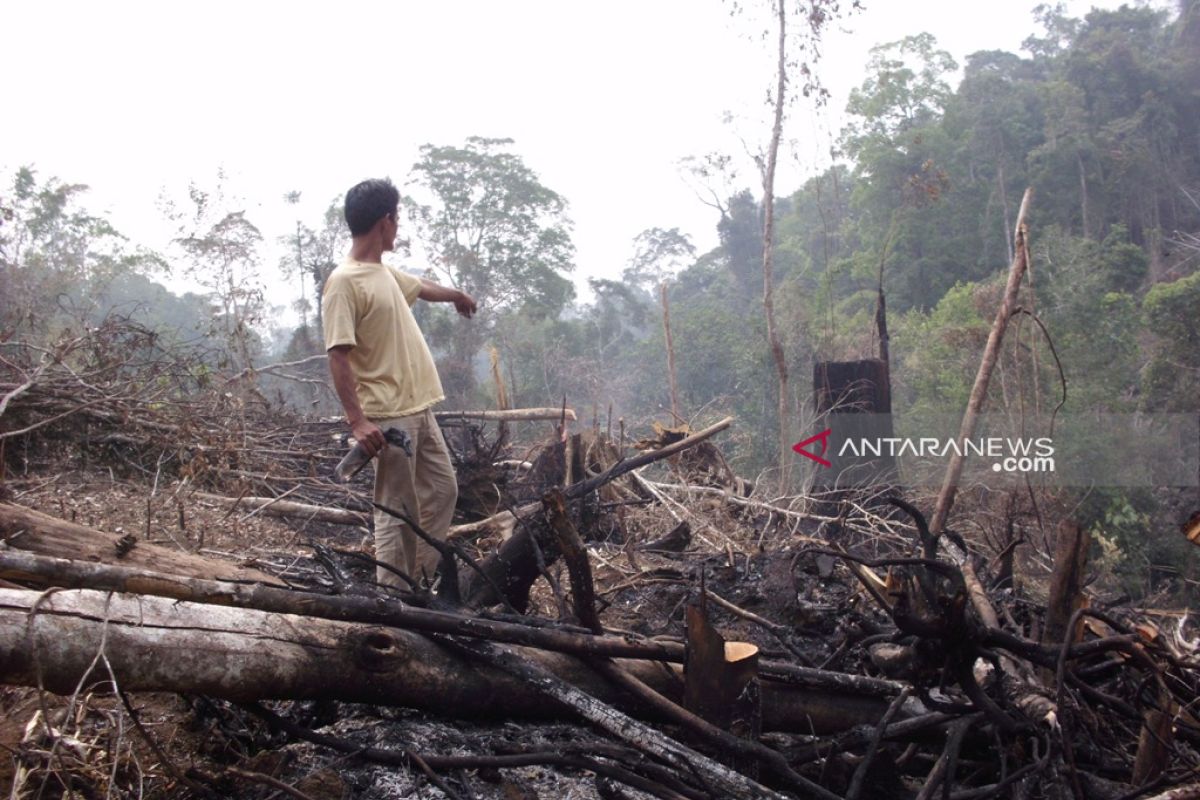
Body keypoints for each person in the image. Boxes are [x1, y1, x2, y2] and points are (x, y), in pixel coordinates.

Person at [322, 178, 477, 587]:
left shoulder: (383, 273)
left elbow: (421, 287)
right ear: (385, 222)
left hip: (419, 409)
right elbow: (338, 354)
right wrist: (357, 422)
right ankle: (394, 598)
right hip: (388, 417)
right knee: (397, 510)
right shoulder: (345, 281)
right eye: (397, 218)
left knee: (443, 491)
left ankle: (417, 584)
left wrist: (456, 294)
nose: (399, 227)